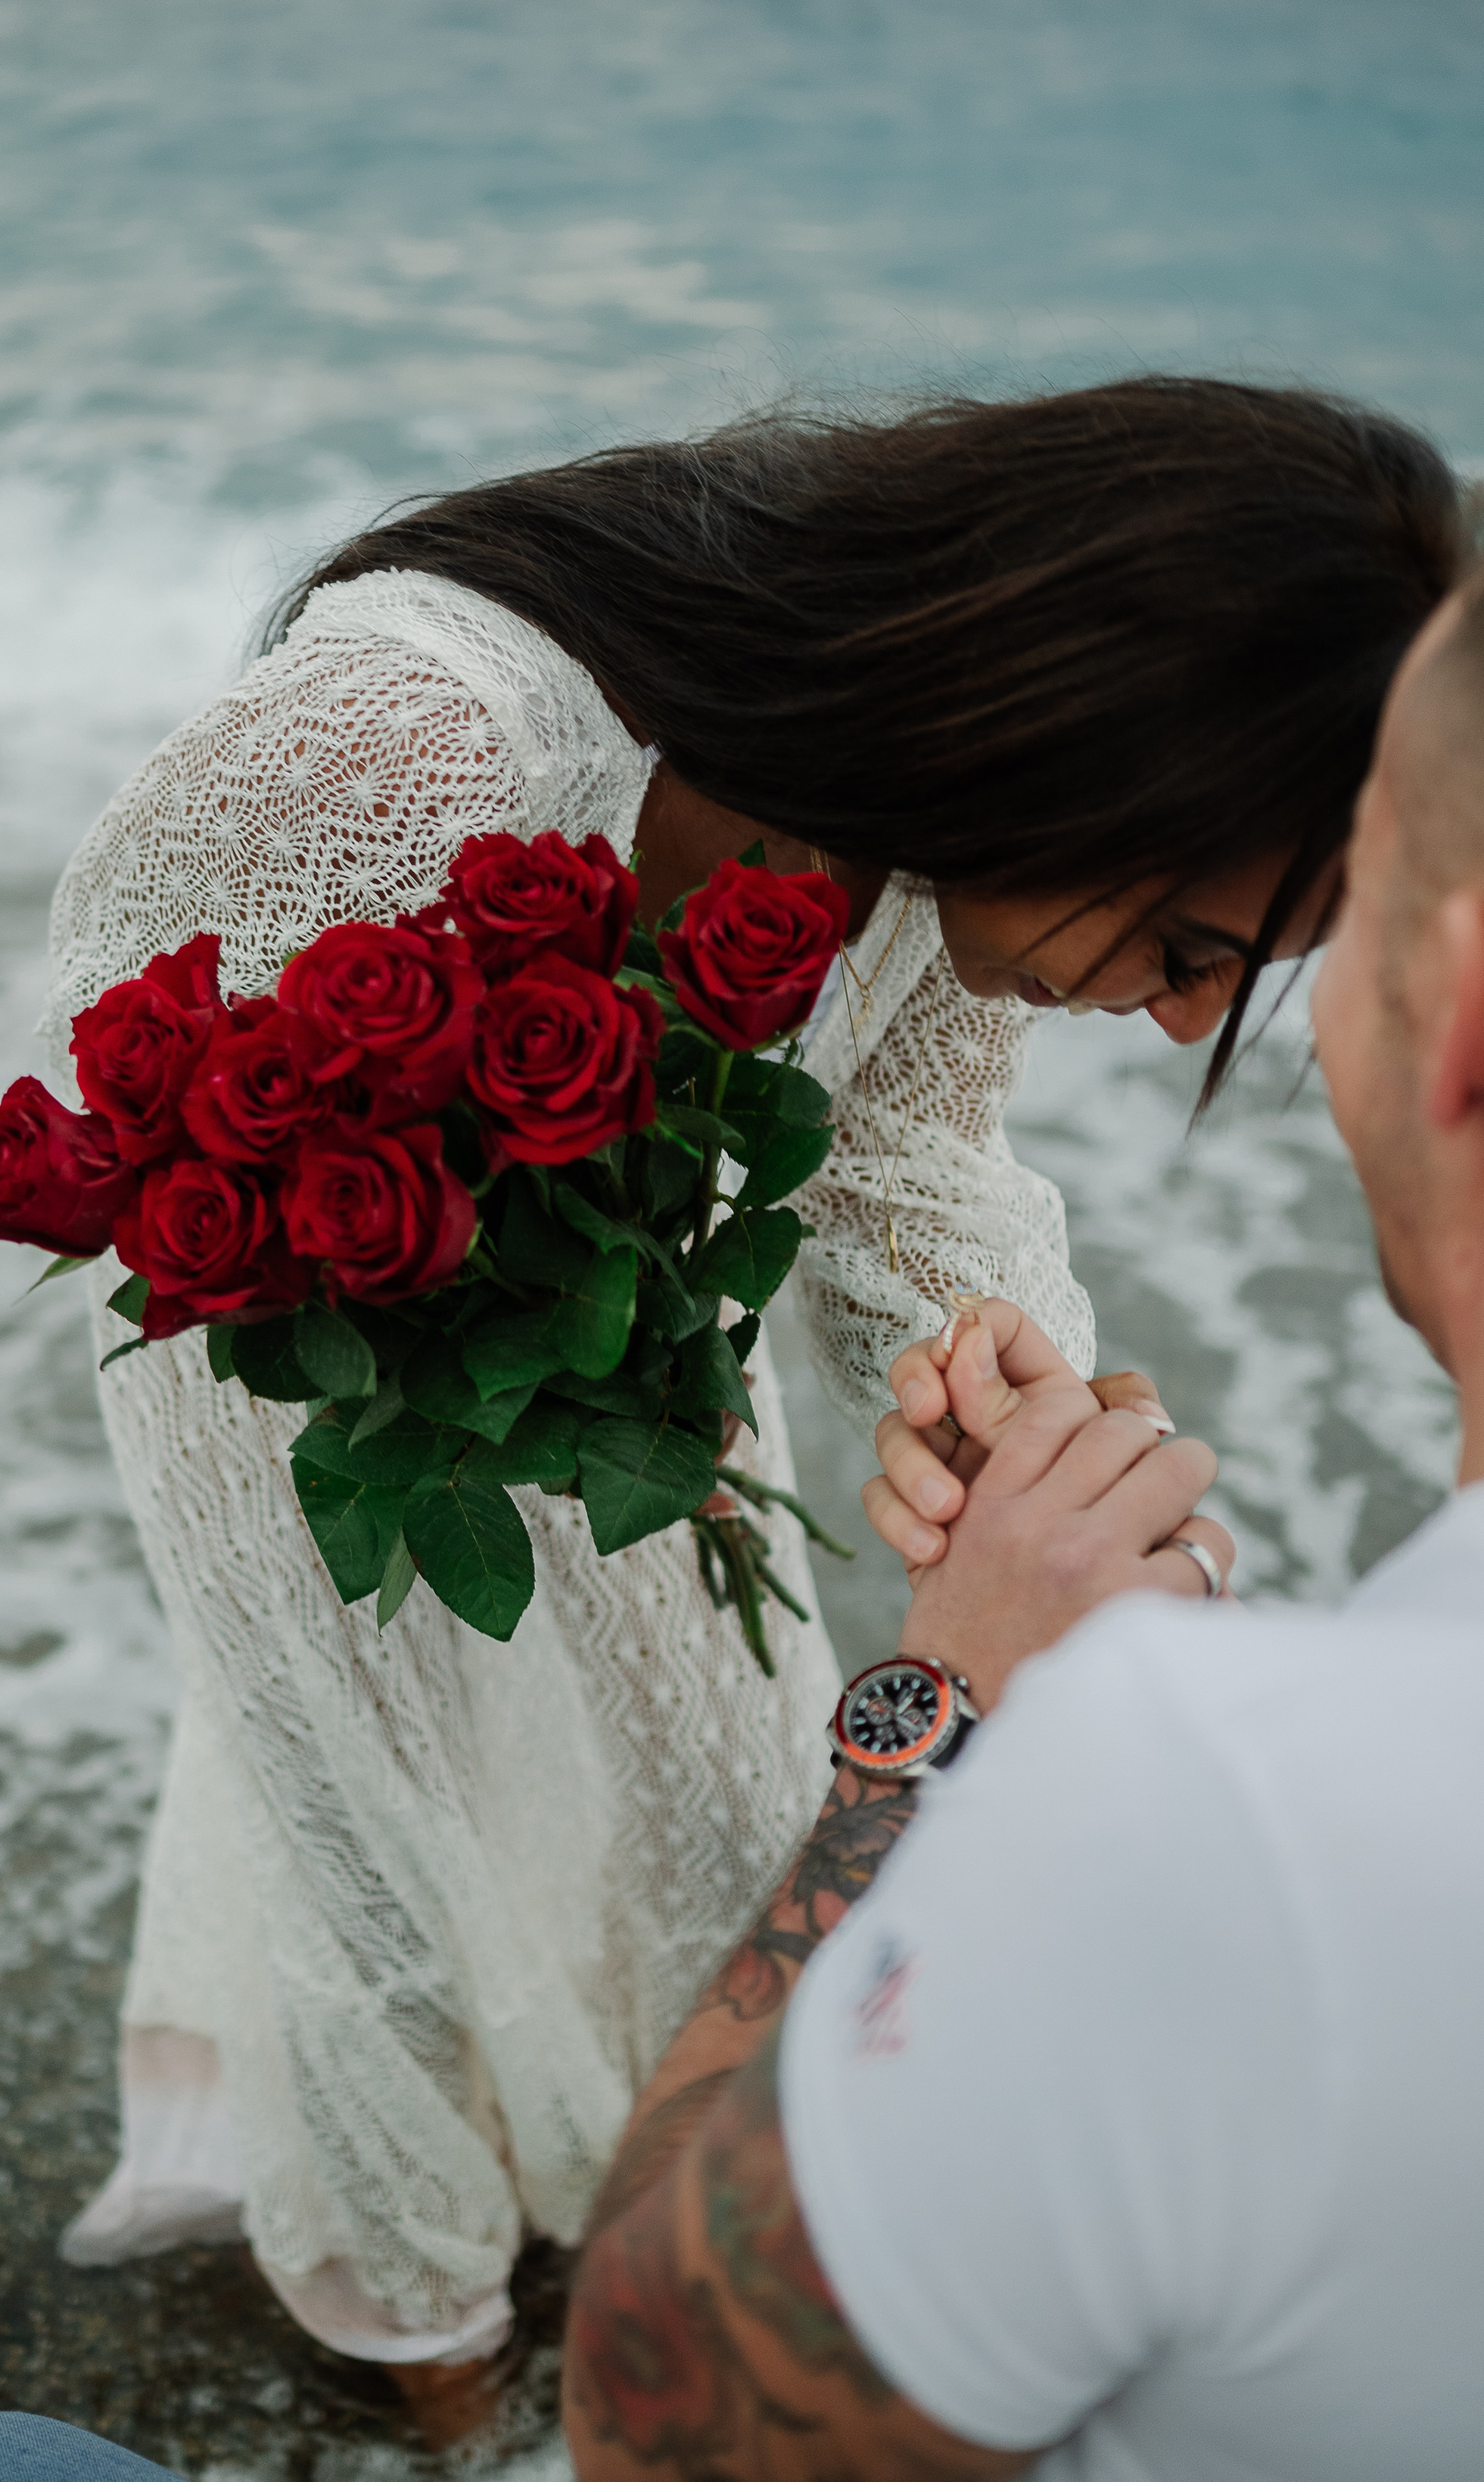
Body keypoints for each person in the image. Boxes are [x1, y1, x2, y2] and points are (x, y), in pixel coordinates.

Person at [35, 378, 1459, 2384]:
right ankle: (416, 2316)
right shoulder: (409, 753)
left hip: (638, 1374)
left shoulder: (916, 801)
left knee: (715, 1789)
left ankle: (623, 2227)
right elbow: (171, 1249)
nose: (1186, 1021)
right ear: (1078, 730)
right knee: (394, 1836)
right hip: (318, 1413)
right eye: (1190, 939)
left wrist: (1011, 1395)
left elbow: (903, 1144)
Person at [562, 567, 1484, 2479]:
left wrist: (941, 1704)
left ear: (1457, 1017)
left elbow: (653, 2427)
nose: (1211, 1026)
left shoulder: (1221, 1811)